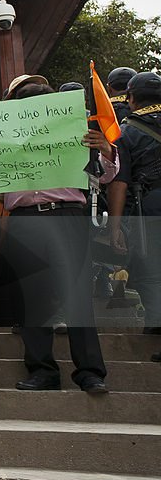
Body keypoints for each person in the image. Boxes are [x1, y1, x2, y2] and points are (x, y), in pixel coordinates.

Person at [2, 81, 112, 394]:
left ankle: (90, 371)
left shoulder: (76, 133)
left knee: (76, 292)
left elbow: (103, 176)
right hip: (23, 218)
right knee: (32, 295)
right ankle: (41, 370)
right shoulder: (3, 138)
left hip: (66, 215)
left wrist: (104, 151)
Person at [109, 71, 161, 340]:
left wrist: (115, 227)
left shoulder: (127, 130)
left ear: (130, 98)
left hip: (148, 205)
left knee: (149, 269)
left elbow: (120, 181)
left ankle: (155, 323)